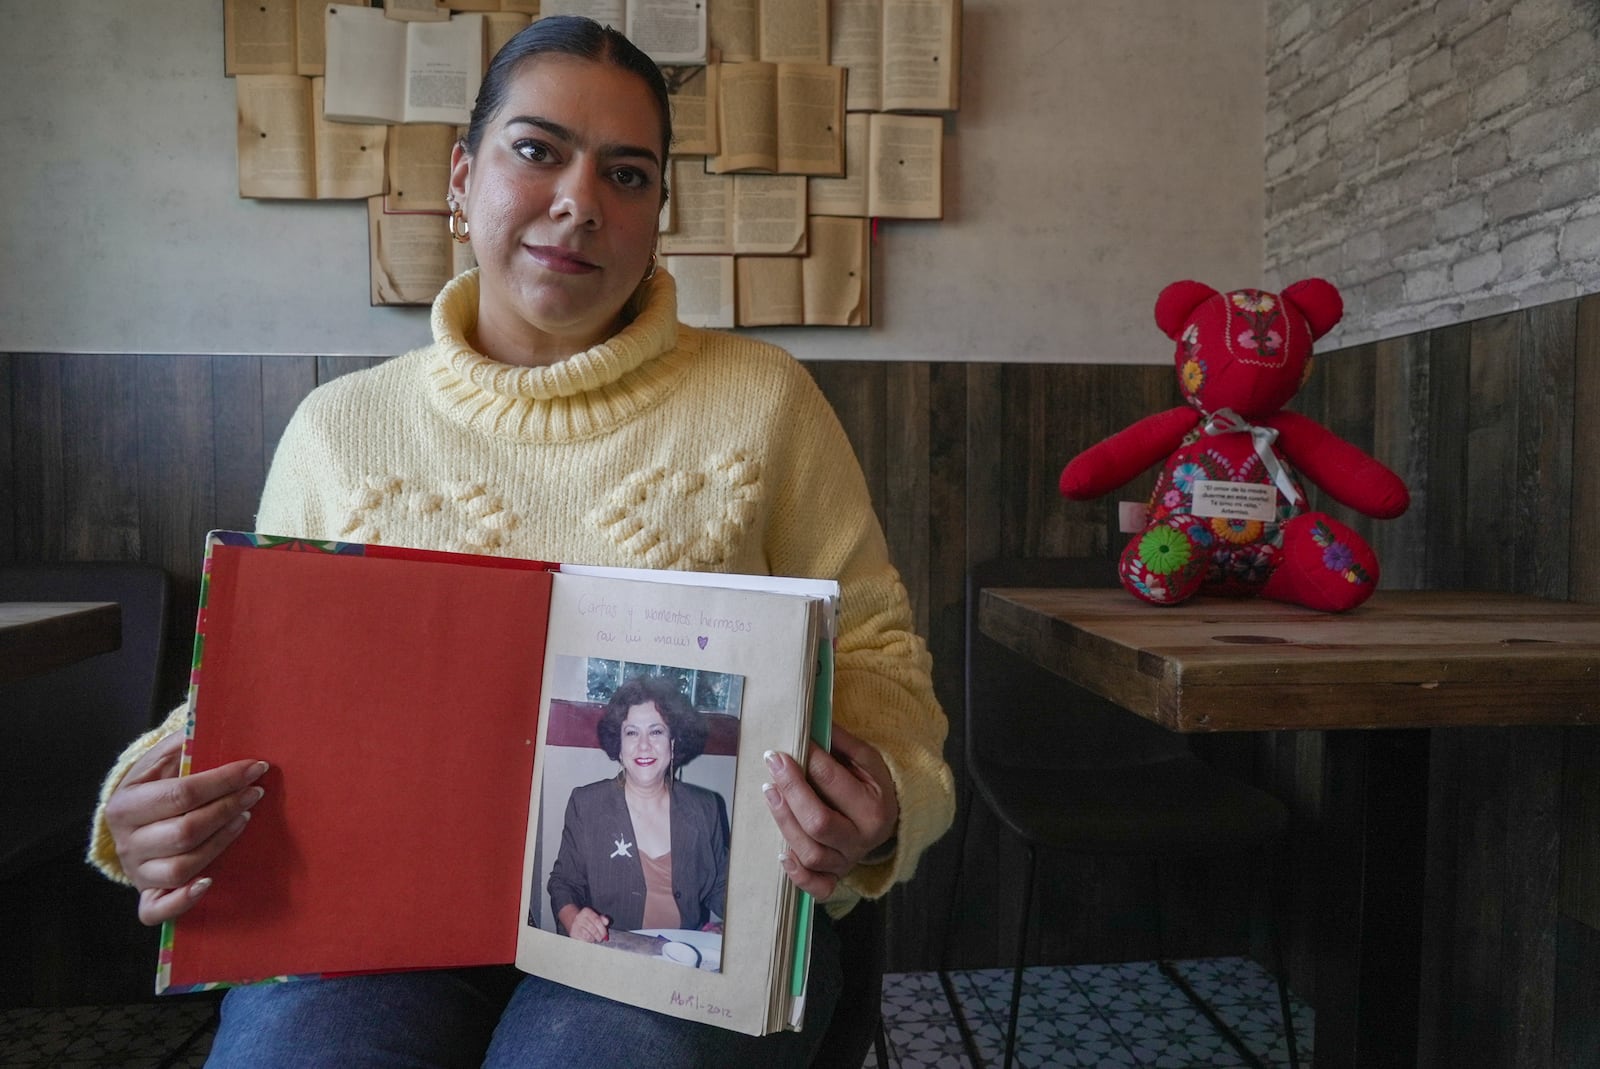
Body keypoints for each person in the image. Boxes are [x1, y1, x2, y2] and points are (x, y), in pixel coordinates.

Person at [89, 14, 954, 1068]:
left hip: (668, 931)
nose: (579, 203)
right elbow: (253, 689)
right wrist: (150, 794)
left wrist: (883, 799)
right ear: (463, 177)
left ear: (657, 212)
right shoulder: (340, 431)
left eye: (627, 175)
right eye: (537, 151)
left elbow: (875, 660)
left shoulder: (763, 404)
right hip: (374, 924)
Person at [547, 675, 728, 944]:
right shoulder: (587, 805)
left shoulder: (705, 807)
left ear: (673, 742)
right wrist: (575, 918)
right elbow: (563, 883)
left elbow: (721, 886)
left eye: (656, 731)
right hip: (611, 952)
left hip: (682, 955)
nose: (644, 745)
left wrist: (728, 927)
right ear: (618, 746)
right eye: (632, 732)